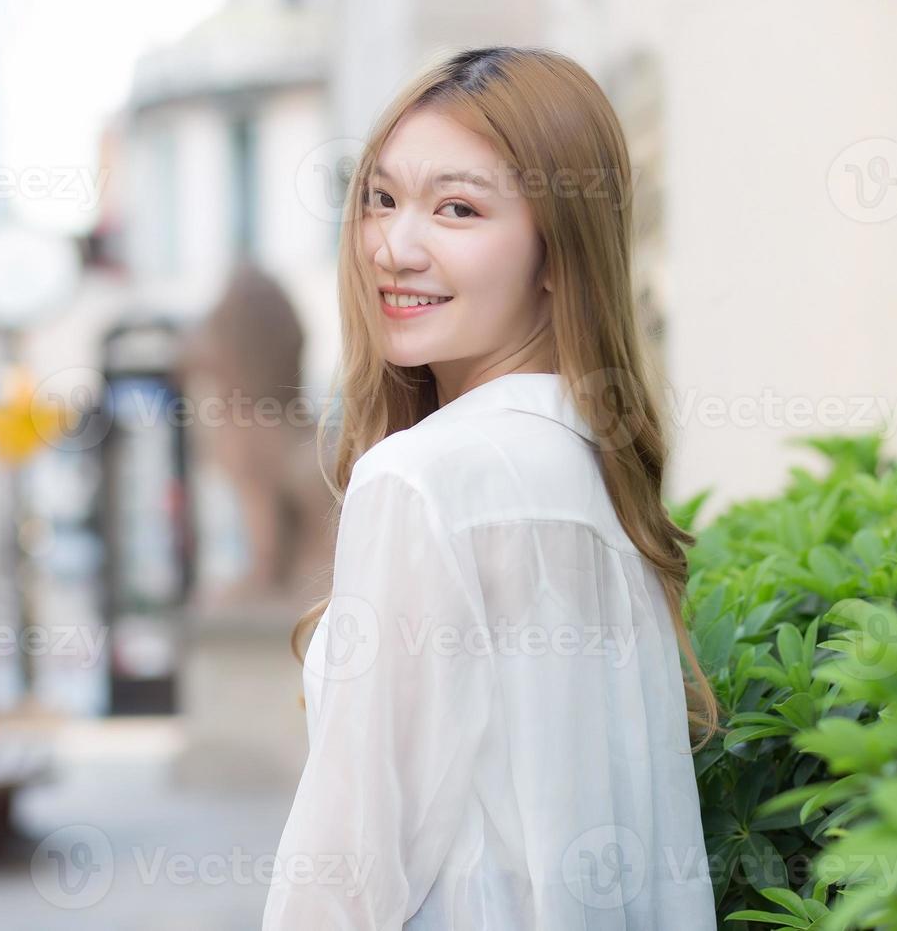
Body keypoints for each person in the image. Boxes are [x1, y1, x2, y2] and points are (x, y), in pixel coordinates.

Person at [262, 46, 720, 929]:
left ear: (559, 252)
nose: (394, 247)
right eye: (382, 199)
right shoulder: (591, 475)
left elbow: (348, 868)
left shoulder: (424, 478)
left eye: (458, 208)